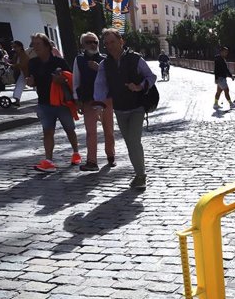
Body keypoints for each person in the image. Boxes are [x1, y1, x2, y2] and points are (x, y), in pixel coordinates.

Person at [93, 28, 157, 190]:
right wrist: (99, 104)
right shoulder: (104, 65)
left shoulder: (135, 59)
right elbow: (100, 85)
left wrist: (139, 86)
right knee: (130, 143)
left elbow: (151, 76)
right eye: (106, 43)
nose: (109, 46)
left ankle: (141, 176)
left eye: (112, 42)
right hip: (120, 109)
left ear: (121, 41)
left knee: (134, 141)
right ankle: (139, 173)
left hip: (137, 107)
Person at [26, 33, 80, 173]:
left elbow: (70, 79)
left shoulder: (59, 62)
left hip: (61, 103)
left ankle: (76, 153)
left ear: (47, 46)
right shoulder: (33, 63)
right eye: (34, 44)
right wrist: (30, 82)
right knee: (47, 131)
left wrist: (61, 80)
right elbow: (32, 80)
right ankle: (49, 160)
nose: (35, 47)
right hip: (44, 102)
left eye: (38, 44)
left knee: (69, 129)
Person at [73, 32, 115, 172]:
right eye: (89, 42)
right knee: (91, 132)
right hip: (88, 100)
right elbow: (76, 81)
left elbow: (113, 80)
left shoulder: (106, 59)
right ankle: (92, 161)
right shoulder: (79, 60)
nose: (92, 44)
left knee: (108, 130)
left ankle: (110, 155)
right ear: (83, 44)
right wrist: (77, 99)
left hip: (105, 99)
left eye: (95, 42)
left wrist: (99, 70)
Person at [10, 41, 29, 106]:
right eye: (13, 47)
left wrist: (13, 65)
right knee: (19, 85)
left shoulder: (23, 54)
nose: (14, 48)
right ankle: (17, 101)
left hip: (27, 72)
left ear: (20, 47)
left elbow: (23, 64)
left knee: (36, 86)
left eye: (15, 47)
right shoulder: (17, 54)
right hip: (23, 72)